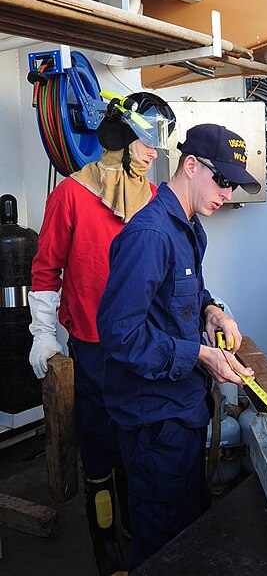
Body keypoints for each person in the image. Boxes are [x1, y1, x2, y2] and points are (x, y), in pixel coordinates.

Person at [96, 123, 260, 570]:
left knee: (189, 530)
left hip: (184, 412)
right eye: (222, 180)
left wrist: (213, 312)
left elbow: (187, 294)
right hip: (155, 421)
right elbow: (119, 333)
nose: (227, 193)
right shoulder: (150, 236)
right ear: (190, 166)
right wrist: (201, 356)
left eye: (234, 184)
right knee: (164, 544)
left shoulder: (189, 229)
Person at [28, 90, 176, 576]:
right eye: (148, 140)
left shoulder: (152, 196)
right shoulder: (70, 194)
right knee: (98, 444)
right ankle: (104, 545)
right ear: (122, 137)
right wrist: (43, 333)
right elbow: (47, 268)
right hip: (91, 346)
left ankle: (137, 531)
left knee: (137, 436)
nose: (155, 152)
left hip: (142, 344)